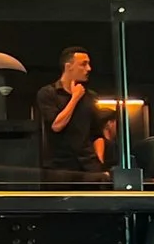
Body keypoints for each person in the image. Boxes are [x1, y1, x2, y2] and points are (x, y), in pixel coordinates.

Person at [33, 46, 111, 179]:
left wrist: (99, 161)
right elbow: (56, 125)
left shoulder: (90, 96)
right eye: (83, 64)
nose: (88, 69)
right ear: (68, 66)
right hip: (61, 167)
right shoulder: (48, 93)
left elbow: (97, 133)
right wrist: (75, 98)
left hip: (88, 166)